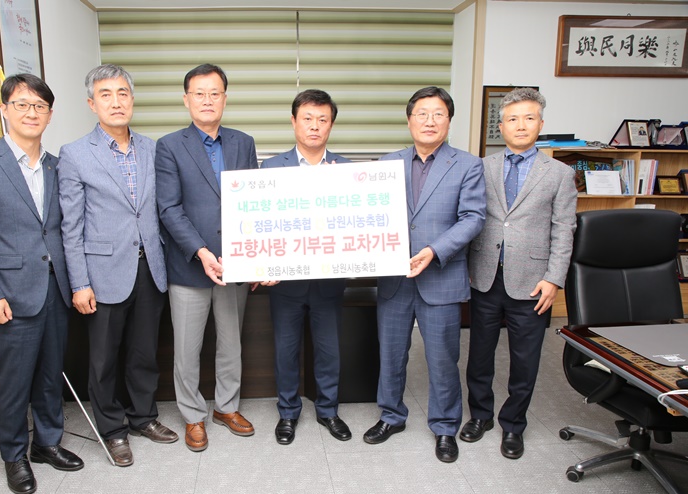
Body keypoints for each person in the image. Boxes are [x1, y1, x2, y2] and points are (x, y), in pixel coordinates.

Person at [0, 74, 83, 494]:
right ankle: (14, 455)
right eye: (22, 104)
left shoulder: (57, 165)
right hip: (9, 294)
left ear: (50, 114)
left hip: (55, 288)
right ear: (4, 109)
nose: (31, 112)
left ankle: (47, 443)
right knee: (14, 381)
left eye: (39, 106)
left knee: (50, 374)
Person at [58, 64, 176, 467]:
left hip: (150, 267)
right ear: (92, 104)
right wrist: (79, 283)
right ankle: (112, 430)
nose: (116, 102)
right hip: (102, 272)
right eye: (105, 95)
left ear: (132, 99)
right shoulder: (75, 154)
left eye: (122, 93)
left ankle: (143, 417)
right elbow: (70, 226)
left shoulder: (153, 149)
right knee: (103, 359)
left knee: (144, 352)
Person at [363, 86, 486, 464]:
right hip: (395, 279)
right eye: (422, 113)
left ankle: (445, 426)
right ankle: (391, 415)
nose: (429, 121)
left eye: (438, 114)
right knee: (390, 354)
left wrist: (434, 251)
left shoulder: (468, 165)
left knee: (443, 359)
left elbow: (473, 218)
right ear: (409, 120)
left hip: (441, 277)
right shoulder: (387, 163)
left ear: (449, 121)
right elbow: (367, 212)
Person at [461, 87, 577, 459]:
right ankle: (480, 416)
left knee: (524, 360)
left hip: (533, 282)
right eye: (512, 119)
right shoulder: (481, 167)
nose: (521, 125)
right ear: (502, 126)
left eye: (529, 118)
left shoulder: (560, 174)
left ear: (541, 123)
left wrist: (554, 278)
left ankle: (513, 425)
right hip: (484, 275)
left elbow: (564, 229)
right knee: (479, 355)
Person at [156, 64, 259, 452]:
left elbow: (255, 203)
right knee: (187, 349)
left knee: (231, 343)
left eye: (214, 93)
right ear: (186, 100)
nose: (207, 100)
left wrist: (254, 258)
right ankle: (193, 415)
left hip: (234, 264)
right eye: (199, 93)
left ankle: (226, 407)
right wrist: (201, 251)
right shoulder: (169, 145)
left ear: (225, 99)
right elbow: (169, 209)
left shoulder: (243, 142)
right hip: (189, 265)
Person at [260, 89, 352, 445]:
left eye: (322, 119)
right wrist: (262, 265)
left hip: (329, 280)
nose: (315, 126)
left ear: (331, 125)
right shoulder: (270, 168)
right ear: (294, 121)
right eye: (308, 119)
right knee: (286, 350)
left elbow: (354, 225)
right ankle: (288, 413)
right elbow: (262, 222)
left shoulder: (347, 170)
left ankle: (328, 411)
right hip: (285, 283)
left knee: (329, 350)